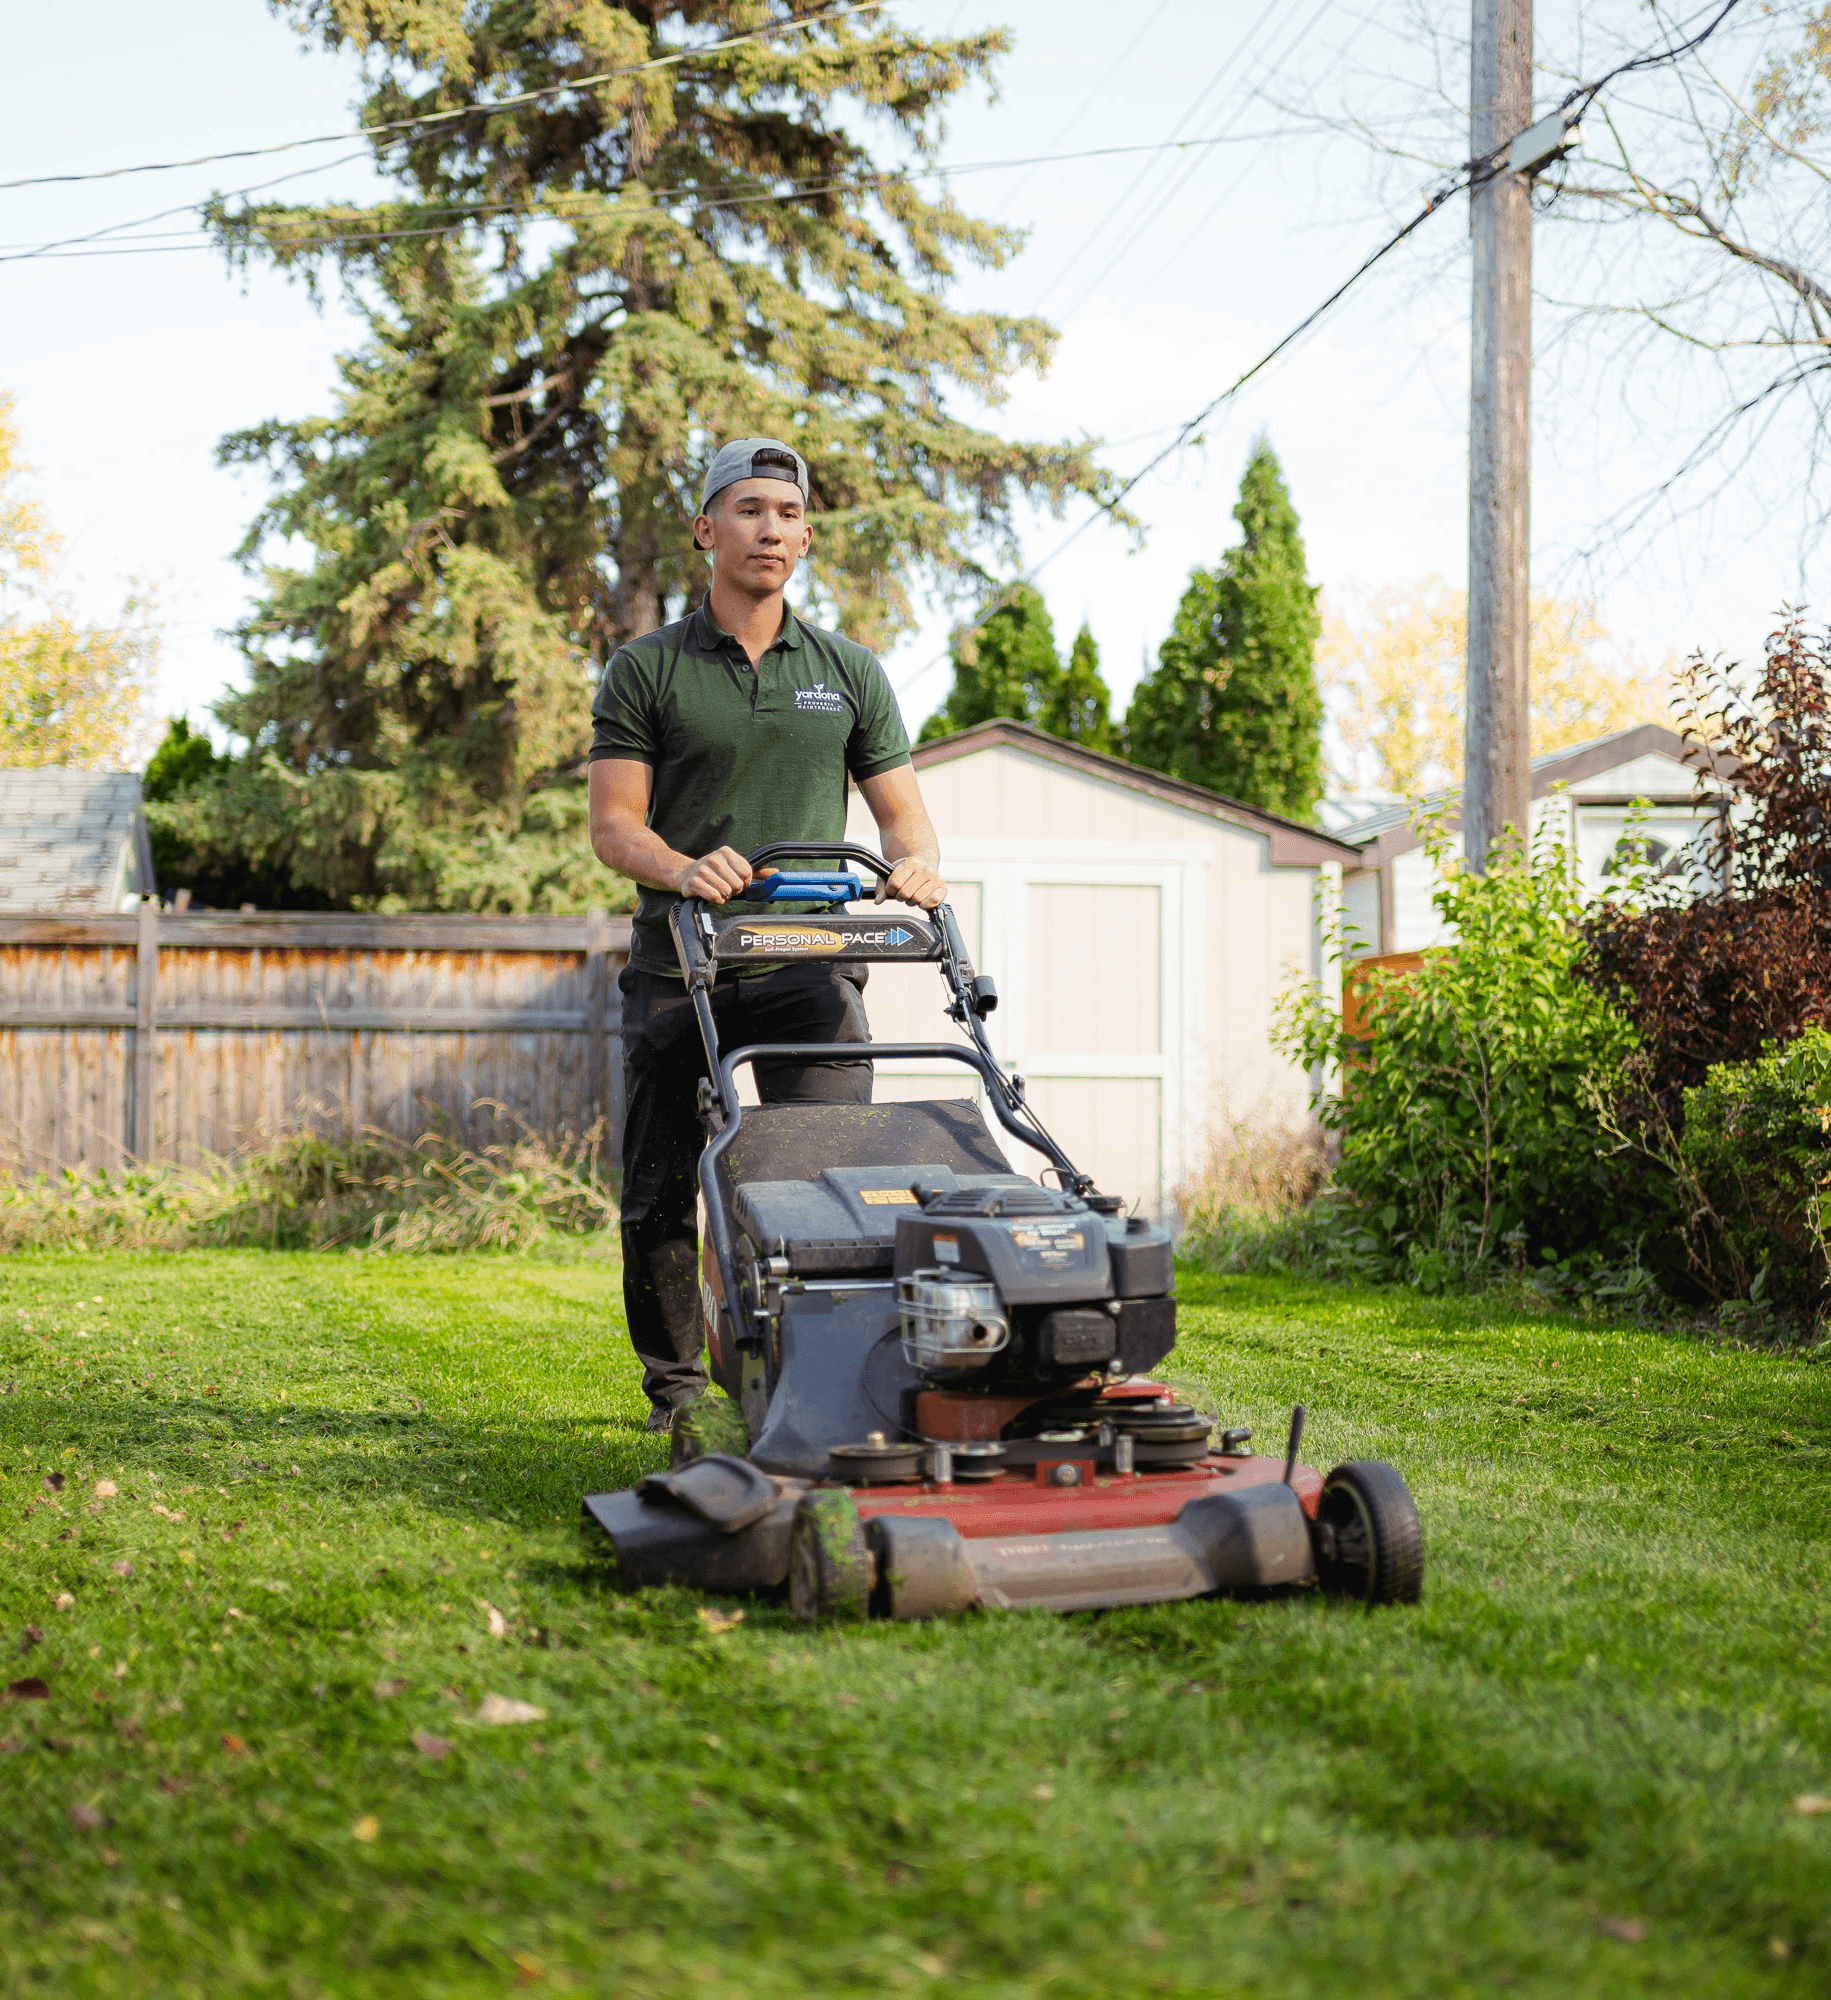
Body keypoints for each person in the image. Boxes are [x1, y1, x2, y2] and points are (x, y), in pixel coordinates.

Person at [587, 437, 947, 1432]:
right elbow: (615, 825)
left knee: (828, 1179)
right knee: (663, 1192)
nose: (771, 529)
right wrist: (682, 869)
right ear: (707, 529)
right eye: (749, 509)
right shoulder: (646, 667)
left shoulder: (849, 671)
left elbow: (900, 815)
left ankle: (814, 1383)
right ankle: (676, 1396)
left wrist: (913, 863)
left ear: (806, 536)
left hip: (807, 965)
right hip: (681, 968)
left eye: (788, 513)